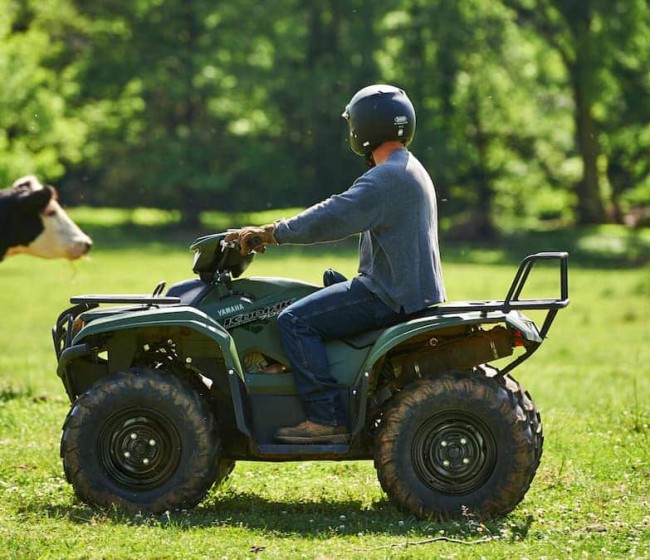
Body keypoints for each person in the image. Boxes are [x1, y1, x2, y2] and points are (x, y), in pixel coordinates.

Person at [225, 84, 446, 444]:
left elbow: (331, 216)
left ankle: (325, 417)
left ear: (363, 129)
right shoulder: (408, 167)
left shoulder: (386, 177)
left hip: (387, 295)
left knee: (294, 320)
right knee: (324, 288)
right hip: (405, 288)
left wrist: (271, 233)